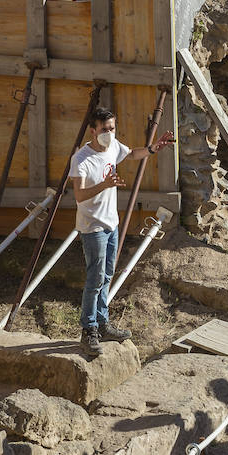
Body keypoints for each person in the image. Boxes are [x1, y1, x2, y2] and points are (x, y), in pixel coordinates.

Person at [69, 105, 175, 359]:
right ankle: (89, 329)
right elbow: (80, 195)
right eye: (104, 129)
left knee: (107, 276)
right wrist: (104, 184)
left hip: (111, 224)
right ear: (93, 131)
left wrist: (153, 149)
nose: (109, 133)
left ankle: (103, 324)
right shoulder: (81, 159)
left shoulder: (113, 147)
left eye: (112, 128)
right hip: (92, 227)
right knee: (94, 279)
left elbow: (131, 154)